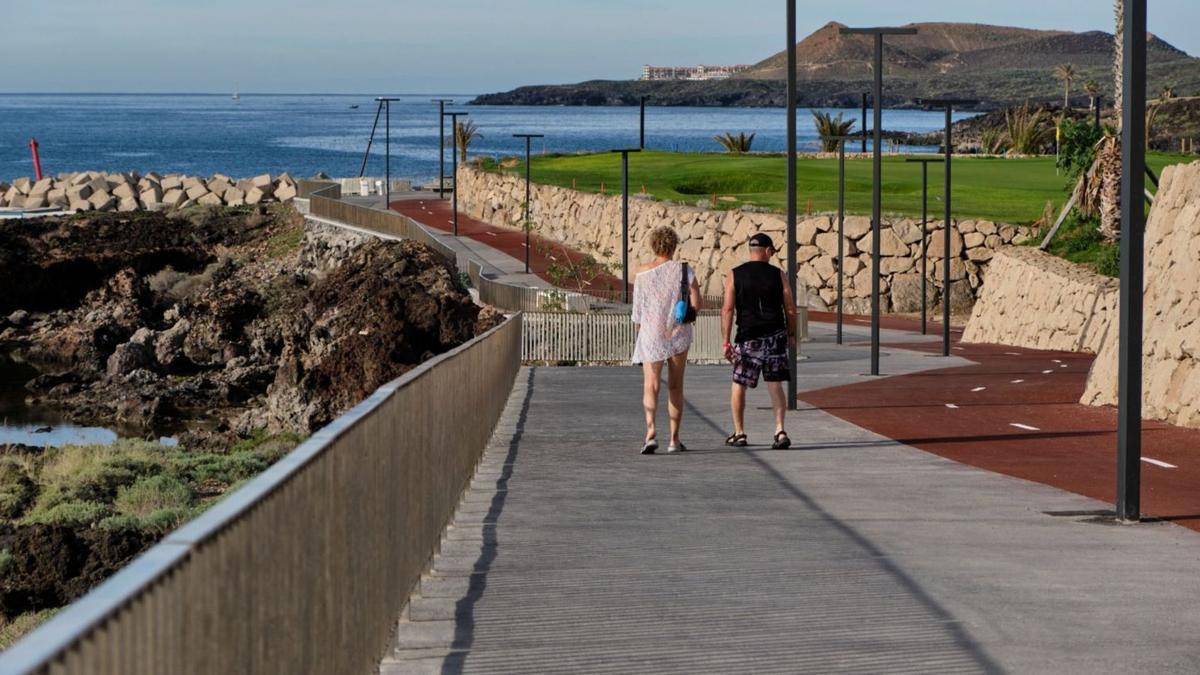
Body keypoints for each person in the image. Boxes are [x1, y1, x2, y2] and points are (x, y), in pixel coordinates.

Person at [721, 233, 797, 449]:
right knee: (775, 384)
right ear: (766, 251)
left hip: (748, 337)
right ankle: (780, 431)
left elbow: (727, 309)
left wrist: (726, 341)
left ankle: (740, 432)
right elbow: (790, 307)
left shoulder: (735, 274)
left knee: (739, 384)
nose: (772, 255)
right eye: (772, 252)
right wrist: (791, 333)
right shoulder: (778, 275)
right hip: (775, 336)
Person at [632, 226, 701, 454]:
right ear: (673, 246)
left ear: (653, 245)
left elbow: (638, 311)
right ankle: (674, 439)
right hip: (678, 333)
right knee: (675, 386)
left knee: (651, 385)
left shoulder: (642, 273)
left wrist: (641, 331)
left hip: (651, 333)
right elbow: (697, 304)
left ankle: (651, 432)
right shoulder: (684, 270)